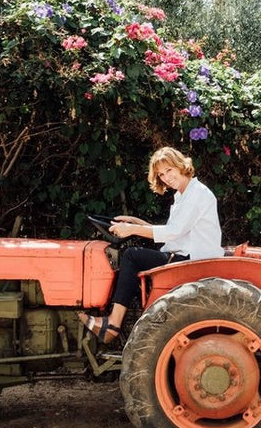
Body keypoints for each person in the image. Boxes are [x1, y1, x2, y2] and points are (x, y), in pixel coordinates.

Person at [78, 146, 224, 343]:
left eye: (169, 170)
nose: (166, 177)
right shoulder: (183, 194)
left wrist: (132, 230)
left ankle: (113, 322)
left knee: (131, 256)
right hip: (184, 253)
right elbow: (174, 233)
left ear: (180, 165)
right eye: (161, 174)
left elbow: (173, 232)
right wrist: (137, 223)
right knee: (134, 256)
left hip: (193, 259)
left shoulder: (196, 194)